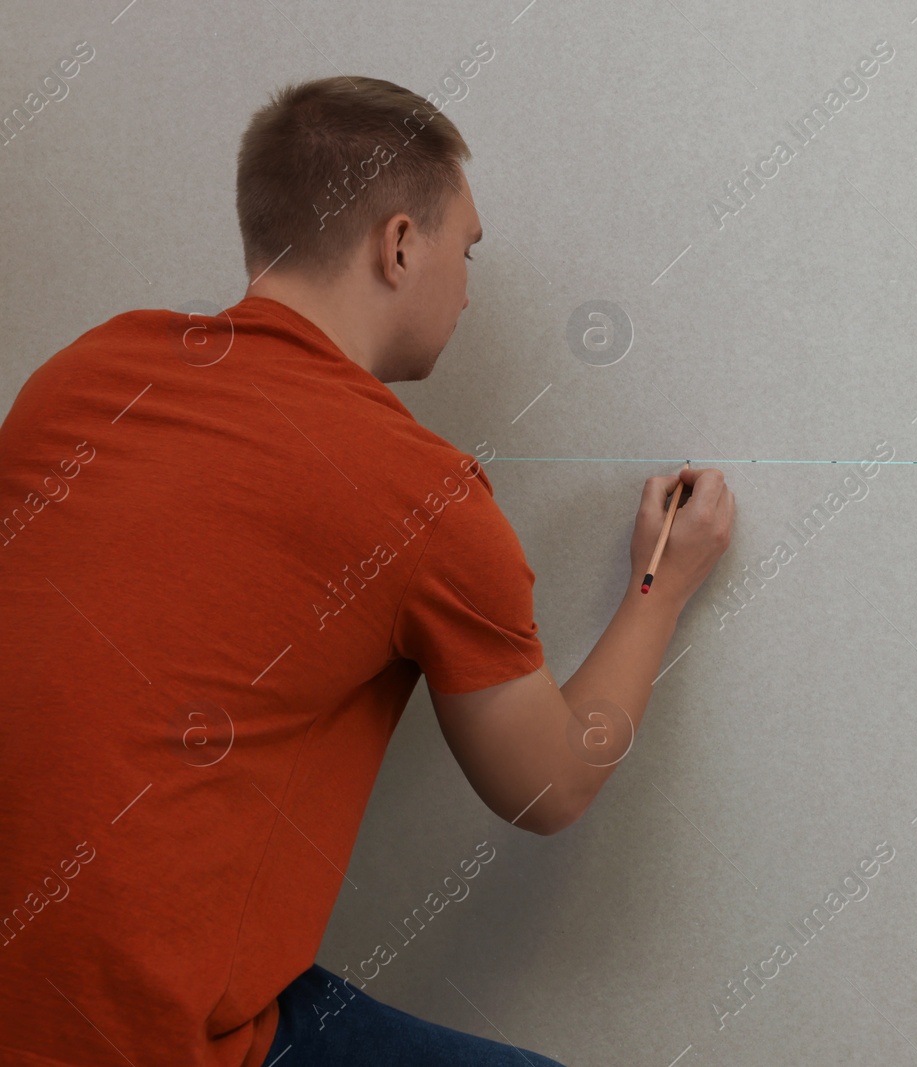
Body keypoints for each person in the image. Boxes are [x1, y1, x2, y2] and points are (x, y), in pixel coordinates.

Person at [0, 74, 733, 1067]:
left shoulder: (78, 377)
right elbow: (548, 784)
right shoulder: (416, 491)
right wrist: (664, 582)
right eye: (464, 250)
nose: (468, 287)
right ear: (398, 244)